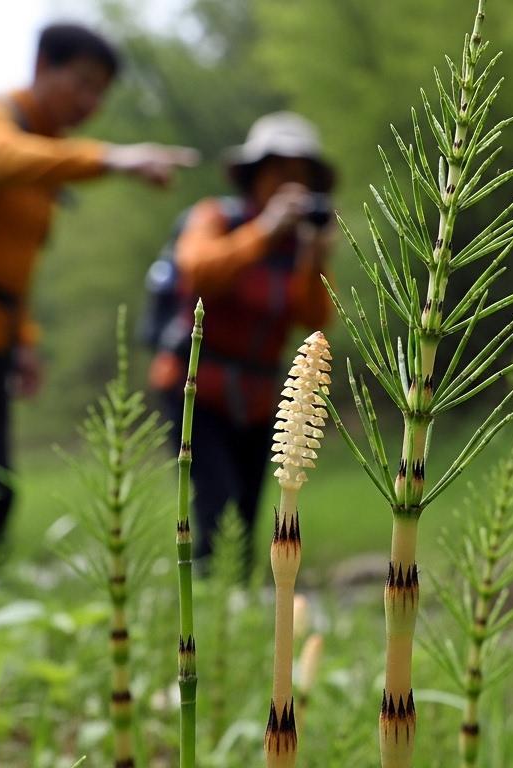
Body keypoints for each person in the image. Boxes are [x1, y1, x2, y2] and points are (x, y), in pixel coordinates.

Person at [0, 22, 196, 548]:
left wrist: (23, 343)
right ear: (43, 66)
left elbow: (14, 266)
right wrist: (108, 157)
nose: (90, 103)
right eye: (82, 83)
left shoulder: (47, 159)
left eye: (100, 93)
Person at [149, 112, 336, 564]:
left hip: (256, 399)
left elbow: (314, 319)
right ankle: (208, 594)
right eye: (280, 172)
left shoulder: (300, 247)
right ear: (255, 174)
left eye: (301, 177)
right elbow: (198, 272)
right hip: (197, 390)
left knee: (248, 512)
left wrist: (314, 260)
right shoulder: (215, 218)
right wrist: (264, 231)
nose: (291, 187)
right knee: (215, 505)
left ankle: (236, 598)